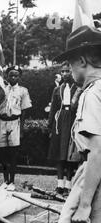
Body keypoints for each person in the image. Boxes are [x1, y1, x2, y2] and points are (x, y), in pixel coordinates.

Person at [55, 25, 101, 223]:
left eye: (70, 63)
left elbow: (98, 151)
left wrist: (84, 204)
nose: (70, 70)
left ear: (82, 60)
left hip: (98, 181)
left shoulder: (92, 93)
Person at [0, 66, 32, 191]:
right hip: (1, 122)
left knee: (13, 153)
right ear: (7, 76)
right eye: (11, 75)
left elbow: (24, 111)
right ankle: (5, 180)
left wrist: (21, 130)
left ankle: (12, 181)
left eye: (16, 75)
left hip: (14, 122)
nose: (13, 77)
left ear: (19, 77)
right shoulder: (2, 89)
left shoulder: (23, 91)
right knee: (1, 152)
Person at [48, 62, 79, 196]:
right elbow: (53, 109)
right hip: (59, 122)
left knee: (69, 153)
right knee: (59, 153)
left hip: (72, 120)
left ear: (72, 72)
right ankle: (60, 184)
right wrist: (50, 126)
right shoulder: (57, 89)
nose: (65, 74)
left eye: (67, 71)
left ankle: (69, 184)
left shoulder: (78, 88)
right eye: (63, 71)